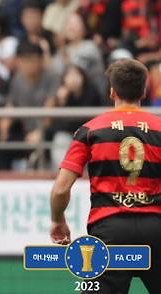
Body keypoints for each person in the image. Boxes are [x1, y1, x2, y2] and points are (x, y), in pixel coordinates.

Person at [50, 59, 161, 294]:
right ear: (143, 90)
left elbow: (61, 188)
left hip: (110, 231)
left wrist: (58, 220)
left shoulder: (90, 130)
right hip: (156, 229)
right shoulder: (159, 129)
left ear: (112, 91)